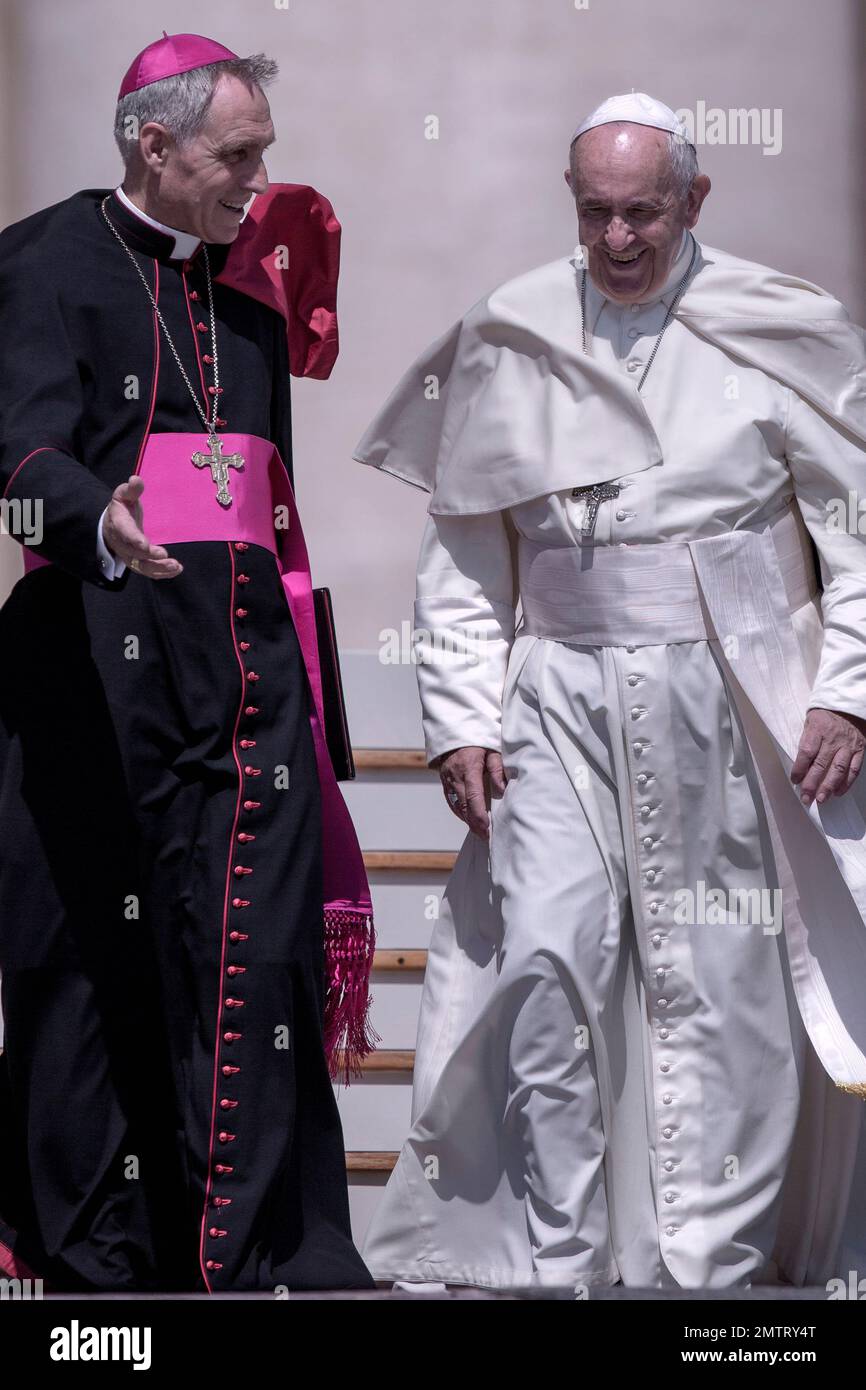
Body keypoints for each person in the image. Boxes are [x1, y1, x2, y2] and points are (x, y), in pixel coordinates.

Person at [353, 92, 866, 1290]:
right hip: (553, 707)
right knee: (539, 969)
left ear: (695, 199)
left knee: (722, 988)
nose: (619, 239)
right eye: (596, 215)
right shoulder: (514, 330)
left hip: (732, 706)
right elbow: (469, 552)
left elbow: (853, 530)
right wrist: (460, 717)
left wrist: (845, 692)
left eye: (643, 212)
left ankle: (707, 1277)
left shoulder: (776, 328)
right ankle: (559, 1263)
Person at [0, 31, 375, 1293]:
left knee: (247, 958)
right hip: (97, 685)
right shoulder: (42, 262)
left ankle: (256, 1246)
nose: (257, 179)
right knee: (97, 970)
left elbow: (270, 497)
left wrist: (310, 675)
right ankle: (108, 1268)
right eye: (237, 154)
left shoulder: (245, 280)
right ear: (152, 147)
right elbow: (11, 470)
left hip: (248, 683)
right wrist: (87, 519)